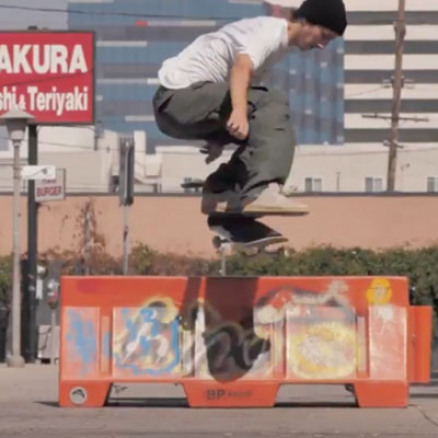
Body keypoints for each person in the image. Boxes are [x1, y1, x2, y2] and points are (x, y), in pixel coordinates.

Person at [153, 0, 347, 215]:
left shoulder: (277, 48)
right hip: (178, 98)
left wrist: (217, 136)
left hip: (177, 110)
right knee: (272, 102)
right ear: (304, 21)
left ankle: (221, 191)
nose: (323, 46)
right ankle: (262, 190)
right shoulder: (269, 31)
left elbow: (241, 90)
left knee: (267, 130)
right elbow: (241, 68)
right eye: (324, 36)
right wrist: (238, 111)